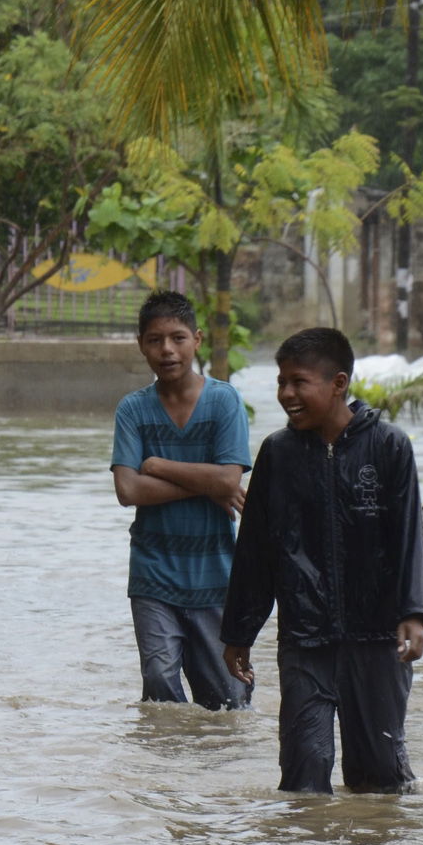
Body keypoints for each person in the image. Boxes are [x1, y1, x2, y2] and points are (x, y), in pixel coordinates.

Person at [221, 327, 423, 793]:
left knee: (379, 780)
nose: (286, 394)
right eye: (281, 383)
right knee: (303, 772)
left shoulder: (389, 446)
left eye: (298, 382)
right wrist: (239, 632)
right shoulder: (278, 454)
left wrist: (414, 613)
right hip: (304, 638)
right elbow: (256, 551)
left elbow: (408, 539)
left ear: (338, 384)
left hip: (377, 640)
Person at [110, 290, 253, 711]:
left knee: (227, 702)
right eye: (155, 340)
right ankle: (164, 772)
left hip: (216, 573)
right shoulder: (132, 410)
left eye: (177, 338)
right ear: (141, 345)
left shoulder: (224, 401)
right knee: (159, 688)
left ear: (197, 339)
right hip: (153, 572)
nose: (167, 350)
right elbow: (128, 491)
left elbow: (230, 477)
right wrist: (208, 483)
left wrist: (157, 465)